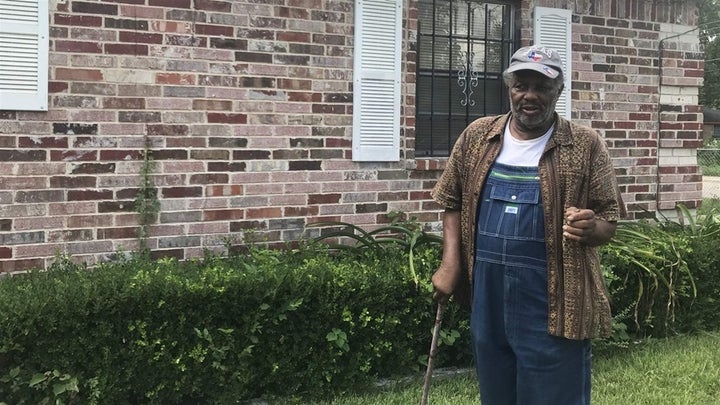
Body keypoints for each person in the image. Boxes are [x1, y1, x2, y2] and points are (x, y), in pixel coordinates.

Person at [430, 45, 626, 405]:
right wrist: (450, 264)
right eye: (521, 85)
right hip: (487, 297)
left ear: (559, 91)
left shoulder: (585, 145)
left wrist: (590, 227)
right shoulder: (477, 137)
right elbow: (451, 201)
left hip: (555, 302)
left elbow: (609, 222)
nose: (530, 96)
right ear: (509, 87)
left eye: (542, 87)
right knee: (497, 394)